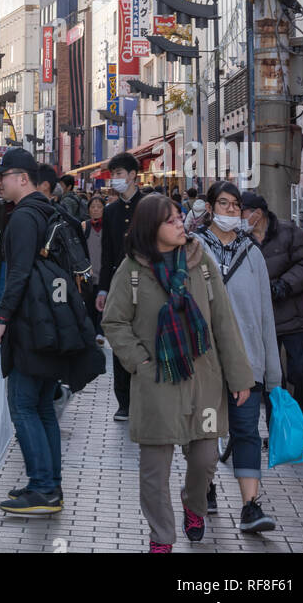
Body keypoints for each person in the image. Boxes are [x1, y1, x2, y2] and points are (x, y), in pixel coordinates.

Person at [102, 193, 254, 553]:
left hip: (203, 377)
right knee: (155, 471)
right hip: (157, 381)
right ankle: (162, 537)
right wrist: (139, 362)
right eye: (170, 219)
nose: (179, 222)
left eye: (179, 216)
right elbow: (114, 321)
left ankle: (194, 504)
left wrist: (240, 376)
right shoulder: (132, 269)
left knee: (204, 459)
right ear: (151, 228)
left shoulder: (201, 262)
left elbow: (224, 322)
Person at [0, 148, 71, 515]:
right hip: (53, 323)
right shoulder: (51, 210)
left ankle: (43, 487)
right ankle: (49, 483)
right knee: (42, 406)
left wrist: (1, 318)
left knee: (23, 405)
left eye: (3, 177)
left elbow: (18, 273)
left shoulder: (23, 217)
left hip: (29, 325)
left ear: (22, 178)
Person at [195, 181, 281, 532]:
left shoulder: (253, 253)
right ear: (211, 208)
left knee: (246, 431)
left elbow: (265, 315)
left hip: (248, 362)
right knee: (205, 432)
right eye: (224, 204)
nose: (231, 211)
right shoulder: (194, 249)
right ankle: (206, 488)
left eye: (236, 205)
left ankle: (250, 507)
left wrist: (272, 372)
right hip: (205, 361)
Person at [241, 191, 303, 447]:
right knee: (271, 377)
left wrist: (284, 285)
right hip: (263, 320)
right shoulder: (241, 239)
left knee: (298, 371)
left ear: (257, 213)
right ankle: (277, 429)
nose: (239, 217)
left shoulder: (288, 231)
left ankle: (302, 426)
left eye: (242, 211)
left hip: (295, 316)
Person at [95, 151, 143, 421]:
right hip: (117, 285)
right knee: (120, 341)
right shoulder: (111, 211)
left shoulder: (149, 205)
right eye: (112, 175)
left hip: (146, 284)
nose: (115, 179)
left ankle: (142, 398)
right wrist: (103, 289)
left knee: (143, 338)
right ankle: (123, 401)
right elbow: (106, 253)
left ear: (133, 175)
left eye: (119, 174)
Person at [82, 193, 106, 343]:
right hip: (89, 272)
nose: (96, 209)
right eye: (93, 207)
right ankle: (92, 331)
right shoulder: (84, 226)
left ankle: (100, 332)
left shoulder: (109, 226)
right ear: (88, 209)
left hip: (104, 272)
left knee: (103, 303)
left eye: (99, 206)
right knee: (90, 303)